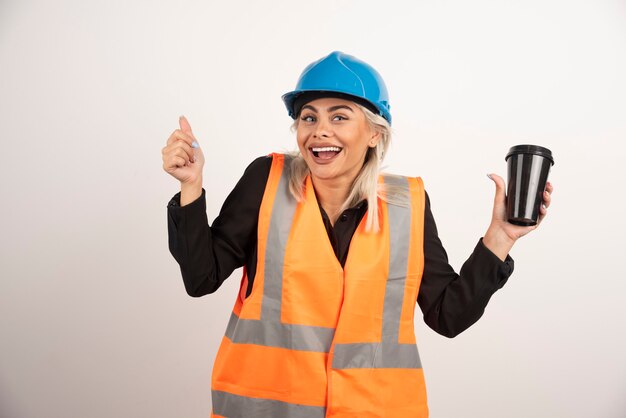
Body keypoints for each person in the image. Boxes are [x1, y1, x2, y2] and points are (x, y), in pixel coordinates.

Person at [161, 51, 553, 418]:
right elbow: (201, 278)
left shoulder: (407, 204)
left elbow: (447, 316)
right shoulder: (266, 181)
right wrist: (191, 185)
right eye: (308, 118)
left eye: (340, 117)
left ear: (374, 134)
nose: (319, 131)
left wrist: (500, 236)